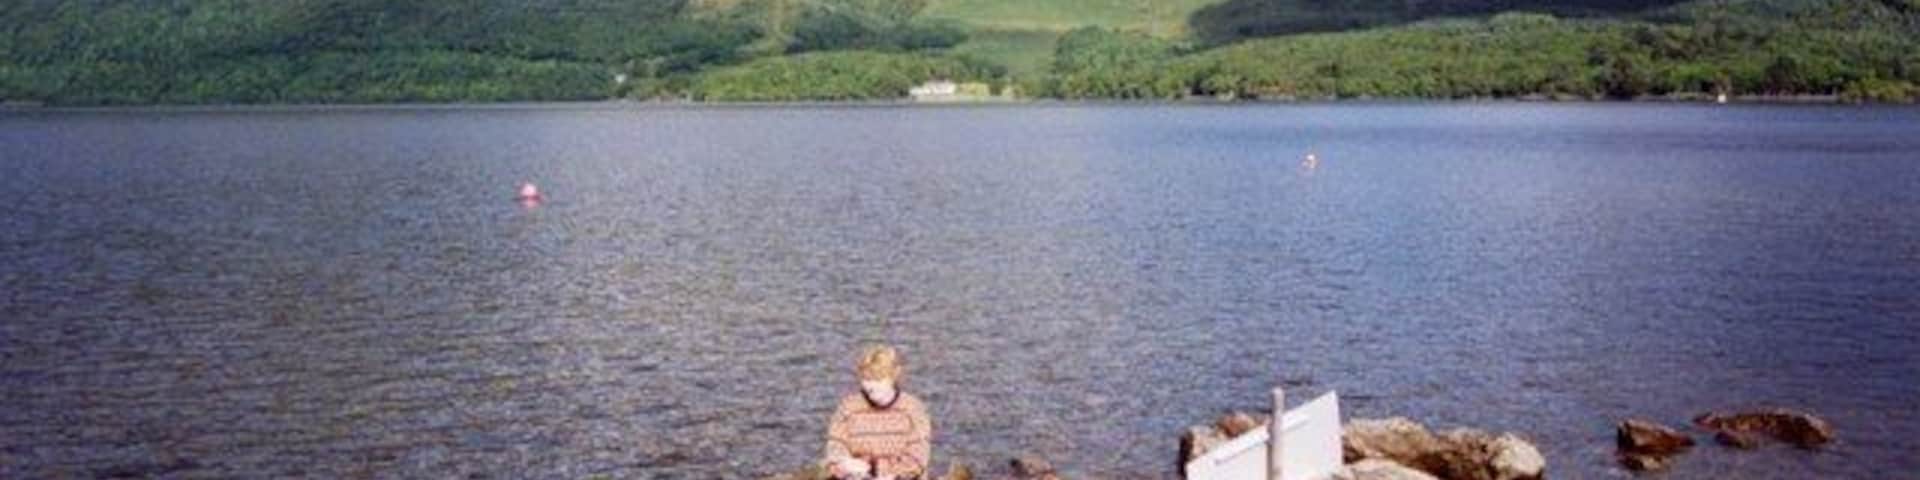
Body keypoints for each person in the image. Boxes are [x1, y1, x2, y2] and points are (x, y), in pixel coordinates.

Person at [821, 345, 932, 480]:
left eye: (878, 380)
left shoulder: (913, 409)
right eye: (867, 380)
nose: (871, 386)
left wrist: (878, 469)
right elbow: (835, 447)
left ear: (893, 377)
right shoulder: (848, 408)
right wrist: (844, 464)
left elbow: (917, 460)